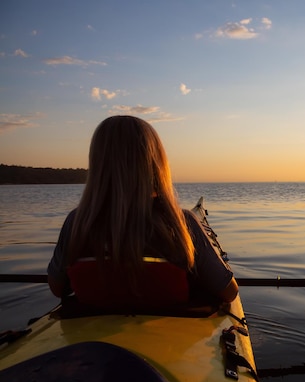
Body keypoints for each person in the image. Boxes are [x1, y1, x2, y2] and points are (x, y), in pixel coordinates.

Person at [47, 115, 238, 310]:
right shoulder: (182, 224)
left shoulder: (76, 222)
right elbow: (229, 292)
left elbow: (56, 288)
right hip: (171, 332)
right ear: (156, 163)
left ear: (97, 164)